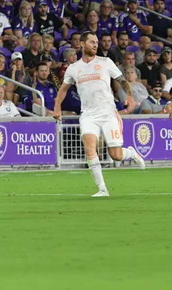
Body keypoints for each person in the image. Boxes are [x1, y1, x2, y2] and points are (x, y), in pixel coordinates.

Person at [53, 31, 146, 198]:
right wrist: (57, 107)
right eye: (92, 42)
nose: (95, 44)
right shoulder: (74, 68)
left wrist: (130, 97)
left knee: (115, 155)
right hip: (88, 114)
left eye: (96, 42)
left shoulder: (105, 62)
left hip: (108, 113)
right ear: (82, 44)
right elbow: (63, 90)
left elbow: (122, 80)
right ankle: (103, 189)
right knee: (89, 149)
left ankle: (130, 153)